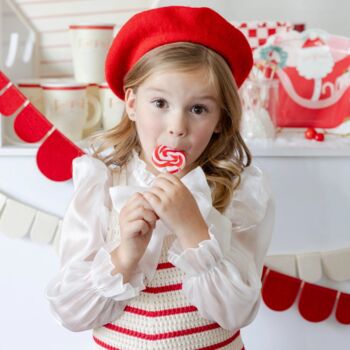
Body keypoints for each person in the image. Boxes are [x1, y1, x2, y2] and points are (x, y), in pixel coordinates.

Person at [46, 6, 275, 349]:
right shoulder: (103, 184)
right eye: (160, 103)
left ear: (221, 120)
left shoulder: (239, 192)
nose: (177, 127)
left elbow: (238, 311)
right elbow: (70, 312)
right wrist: (124, 255)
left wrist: (194, 231)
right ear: (132, 103)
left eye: (198, 109)